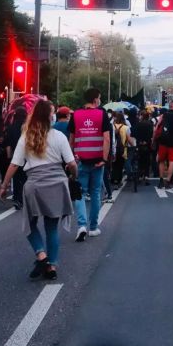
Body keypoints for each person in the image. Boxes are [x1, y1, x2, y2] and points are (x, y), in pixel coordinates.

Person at [0, 100, 76, 281]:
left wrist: (4, 185)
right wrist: (73, 175)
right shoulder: (59, 136)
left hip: (34, 184)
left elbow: (15, 163)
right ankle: (52, 266)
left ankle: (41, 255)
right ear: (50, 116)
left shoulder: (26, 137)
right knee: (52, 228)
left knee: (30, 225)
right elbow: (71, 163)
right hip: (57, 183)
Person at [68, 88, 111, 241]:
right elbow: (106, 139)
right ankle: (93, 228)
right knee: (95, 193)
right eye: (99, 98)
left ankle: (81, 226)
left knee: (79, 193)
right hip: (97, 161)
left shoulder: (76, 115)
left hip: (80, 160)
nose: (99, 101)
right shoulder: (102, 114)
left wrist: (72, 158)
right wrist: (104, 159)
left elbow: (71, 140)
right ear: (95, 100)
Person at [4, 108, 28, 210]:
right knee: (25, 178)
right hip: (27, 156)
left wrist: (9, 156)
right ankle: (25, 198)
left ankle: (17, 198)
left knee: (16, 178)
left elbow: (8, 144)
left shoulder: (11, 127)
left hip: (15, 155)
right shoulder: (27, 127)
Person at [153, 106, 173, 189]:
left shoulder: (163, 115)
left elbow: (157, 128)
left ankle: (161, 180)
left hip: (163, 142)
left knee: (161, 161)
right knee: (171, 162)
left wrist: (154, 139)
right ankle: (168, 181)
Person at [132, 109, 154, 185]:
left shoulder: (138, 124)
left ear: (142, 116)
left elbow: (134, 134)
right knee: (147, 161)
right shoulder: (150, 124)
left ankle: (140, 175)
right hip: (147, 144)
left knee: (140, 160)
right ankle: (147, 176)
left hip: (139, 144)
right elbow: (151, 134)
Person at [111, 111, 131, 185]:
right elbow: (129, 139)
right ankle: (118, 180)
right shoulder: (126, 128)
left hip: (113, 148)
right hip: (122, 149)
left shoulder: (112, 126)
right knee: (120, 165)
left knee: (114, 165)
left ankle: (114, 179)